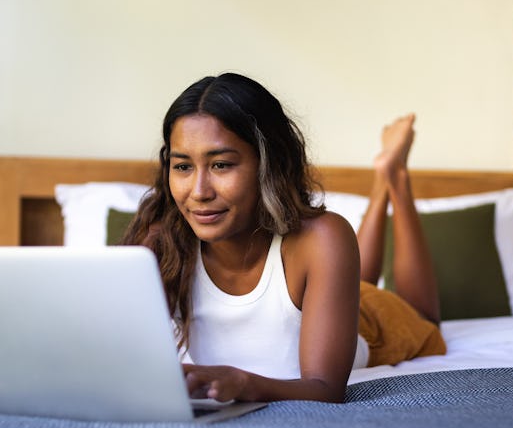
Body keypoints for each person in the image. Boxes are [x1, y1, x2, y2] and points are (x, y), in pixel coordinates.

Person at [122, 73, 445, 404]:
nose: (199, 192)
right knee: (356, 280)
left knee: (424, 320)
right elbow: (125, 362)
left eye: (220, 165)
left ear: (269, 164)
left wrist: (241, 382)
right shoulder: (160, 245)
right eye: (183, 167)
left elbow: (325, 387)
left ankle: (395, 180)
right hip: (316, 291)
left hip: (371, 326)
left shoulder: (321, 237)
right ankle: (384, 182)